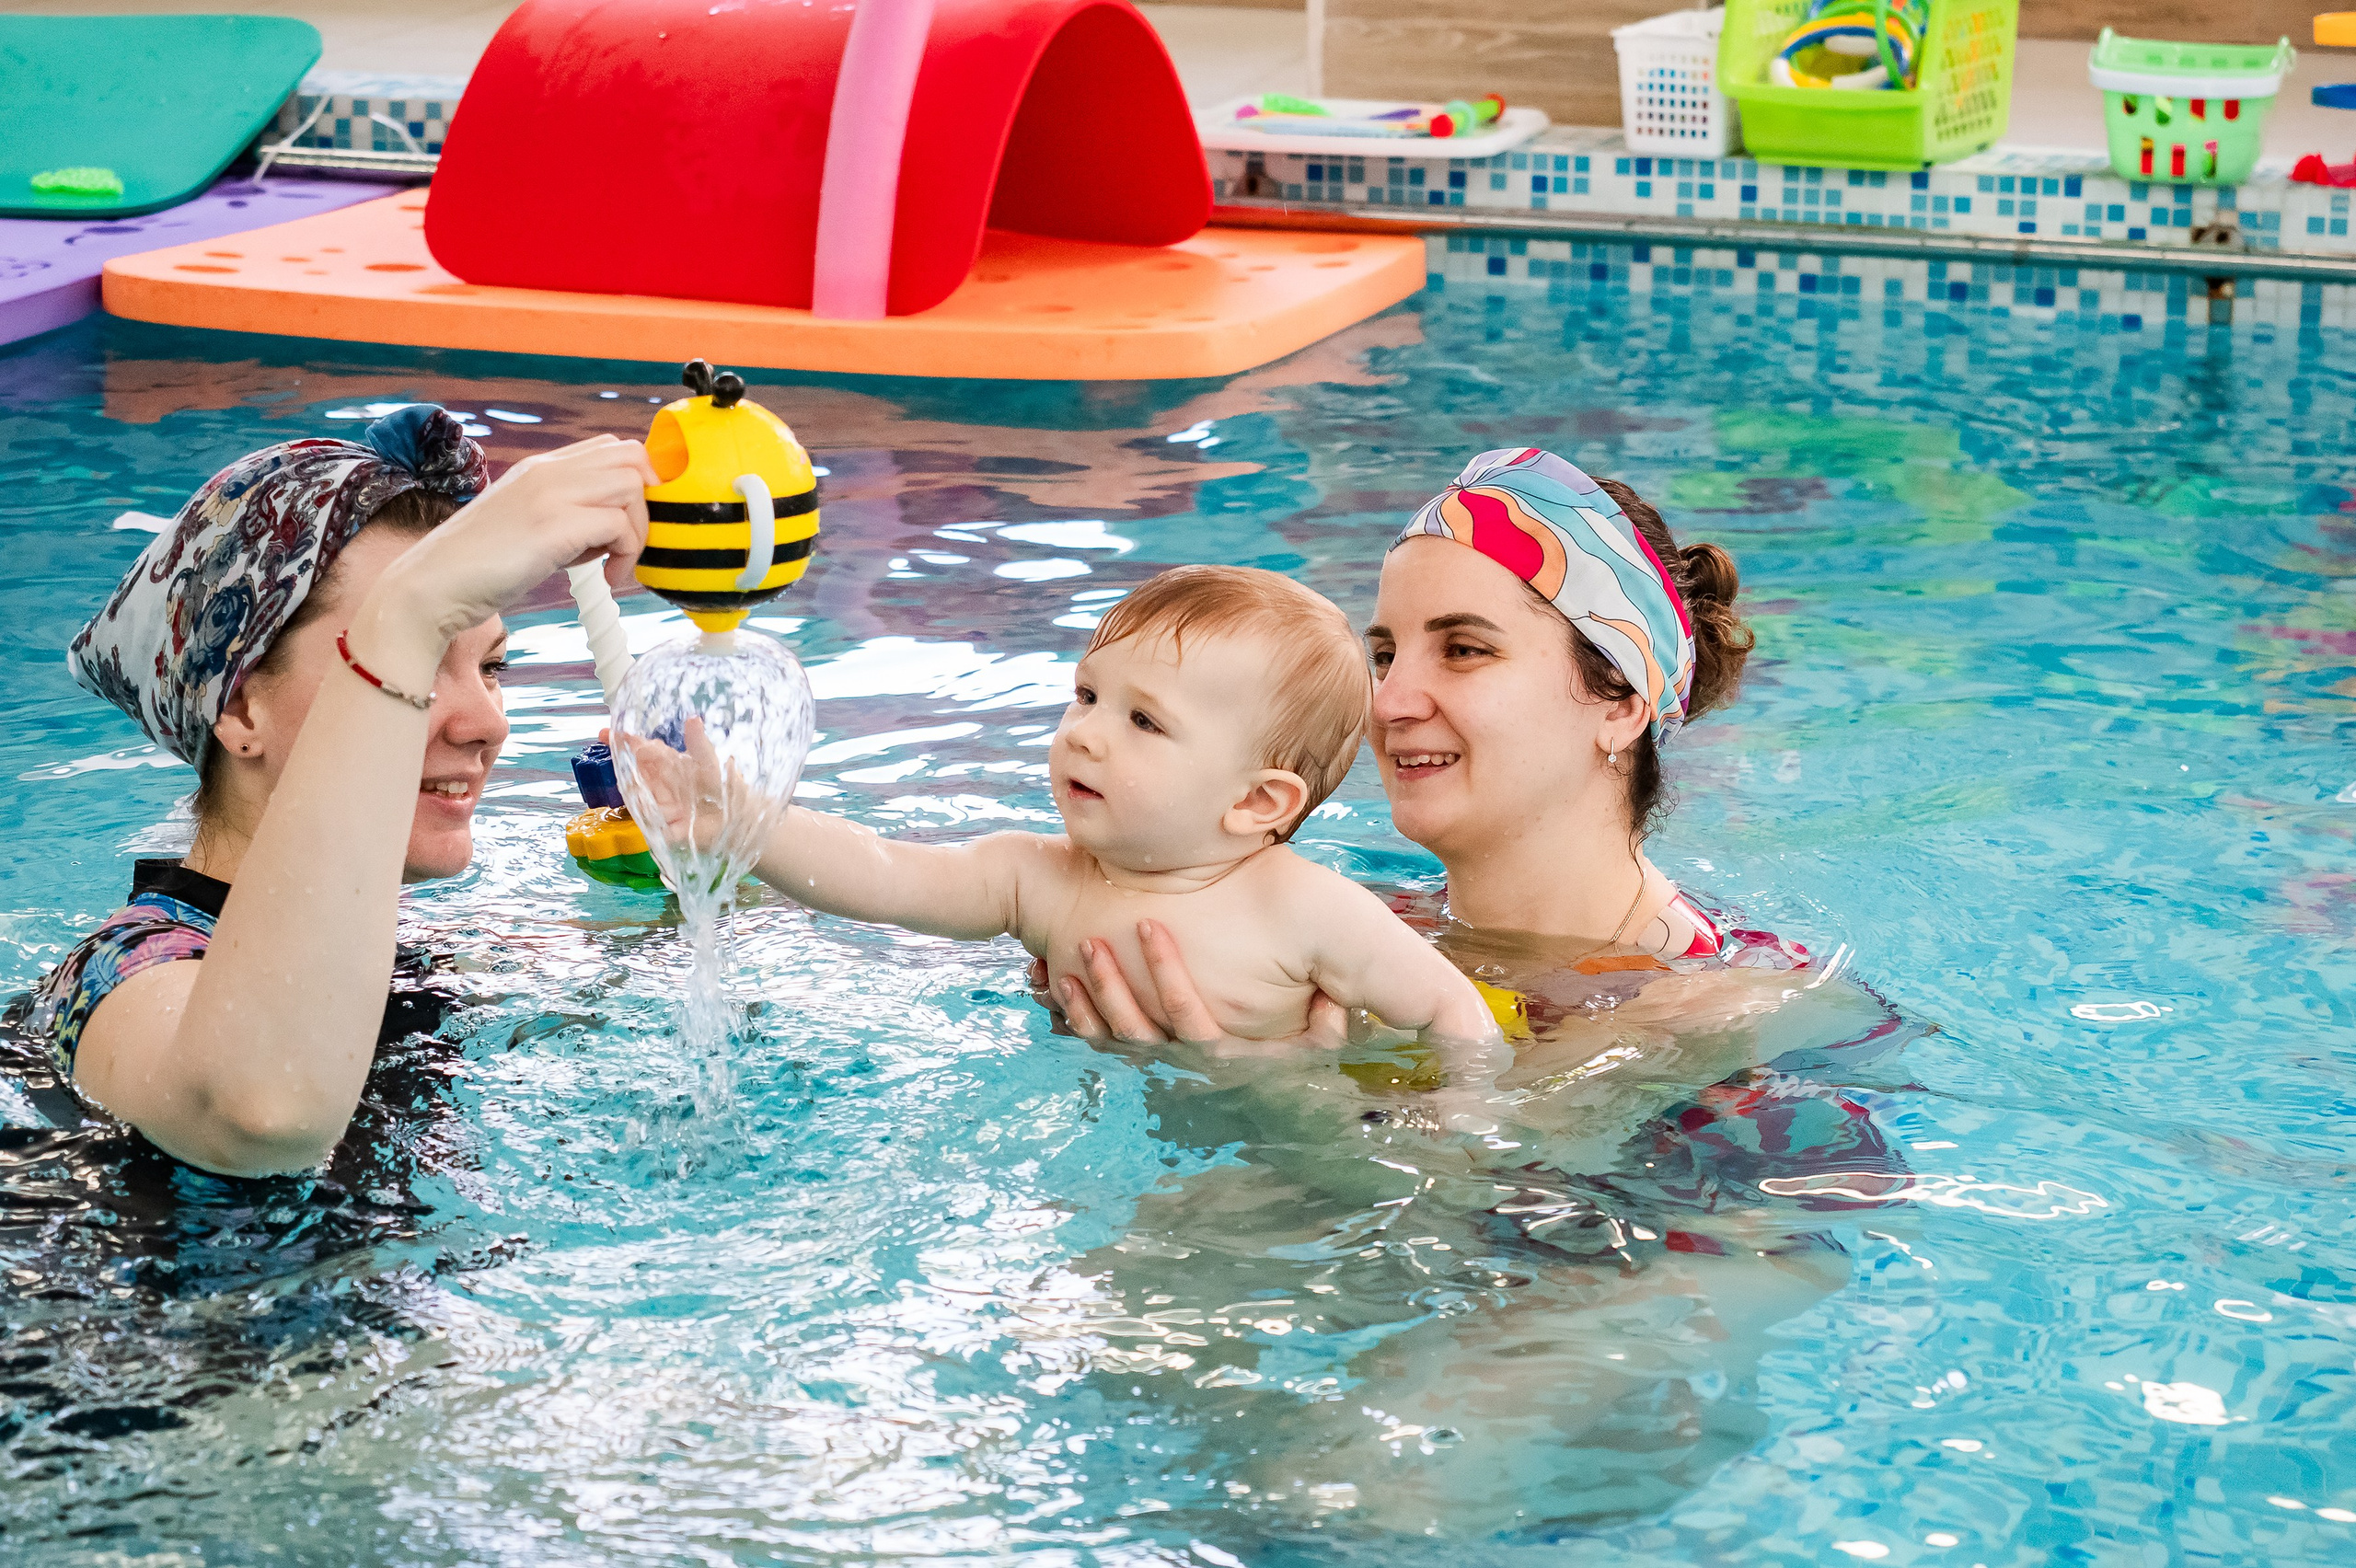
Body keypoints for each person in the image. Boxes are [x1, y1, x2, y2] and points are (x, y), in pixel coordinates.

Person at [14, 407, 655, 1178]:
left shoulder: (414, 967)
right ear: (243, 708)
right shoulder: (112, 984)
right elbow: (265, 1113)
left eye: (492, 667)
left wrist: (709, 869)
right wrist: (412, 606)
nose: (489, 723)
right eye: (414, 658)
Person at [626, 564, 1507, 1110]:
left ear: (1255, 802)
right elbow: (887, 875)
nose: (1085, 734)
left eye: (1144, 723)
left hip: (1289, 1182)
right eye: (1086, 696)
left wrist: (1464, 1132)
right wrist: (746, 822)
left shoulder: (1307, 907)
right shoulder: (1038, 878)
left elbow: (1449, 1010)